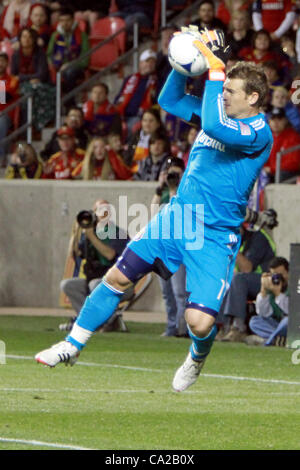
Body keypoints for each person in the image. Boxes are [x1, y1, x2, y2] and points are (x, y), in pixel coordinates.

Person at [35, 28, 273, 394]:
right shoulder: (220, 112)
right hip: (176, 218)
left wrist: (214, 70)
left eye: (230, 92)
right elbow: (170, 100)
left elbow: (213, 125)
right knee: (117, 279)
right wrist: (183, 62)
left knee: (199, 322)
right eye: (223, 90)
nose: (223, 95)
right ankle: (72, 346)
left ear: (253, 97)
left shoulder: (258, 132)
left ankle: (196, 356)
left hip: (214, 236)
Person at [59, 198, 131, 332]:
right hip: (94, 279)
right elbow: (74, 254)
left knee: (95, 285)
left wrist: (91, 236)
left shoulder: (118, 233)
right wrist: (76, 232)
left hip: (119, 283)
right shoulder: (90, 232)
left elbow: (110, 255)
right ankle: (89, 321)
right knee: (67, 285)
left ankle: (108, 320)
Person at [218, 220, 277, 342]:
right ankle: (223, 327)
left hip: (268, 280)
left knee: (239, 279)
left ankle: (238, 328)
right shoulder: (243, 240)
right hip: (246, 281)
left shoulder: (258, 238)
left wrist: (232, 248)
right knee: (222, 280)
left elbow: (247, 268)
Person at [151, 157, 187, 337]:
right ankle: (172, 327)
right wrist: (160, 187)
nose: (174, 176)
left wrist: (173, 189)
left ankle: (183, 328)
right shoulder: (163, 192)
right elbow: (152, 214)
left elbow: (176, 213)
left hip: (178, 248)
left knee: (180, 291)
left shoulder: (187, 190)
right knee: (167, 292)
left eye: (176, 173)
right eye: (170, 173)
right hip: (163, 248)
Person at [10, 27, 55, 132]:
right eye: (24, 36)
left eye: (30, 37)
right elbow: (13, 77)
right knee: (26, 92)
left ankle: (34, 127)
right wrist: (27, 79)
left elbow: (41, 74)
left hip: (41, 84)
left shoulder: (40, 53)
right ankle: (26, 128)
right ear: (20, 39)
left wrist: (21, 77)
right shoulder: (15, 56)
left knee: (32, 91)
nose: (27, 39)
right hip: (20, 88)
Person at [245, 257, 289, 346]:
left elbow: (291, 311)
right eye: (274, 275)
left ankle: (268, 341)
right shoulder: (271, 286)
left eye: (280, 275)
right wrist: (263, 291)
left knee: (287, 320)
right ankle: (280, 340)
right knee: (254, 321)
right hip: (277, 325)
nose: (278, 278)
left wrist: (278, 294)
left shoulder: (295, 286)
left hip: (290, 325)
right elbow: (263, 314)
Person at [47, 7, 90, 94]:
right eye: (62, 20)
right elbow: (49, 54)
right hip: (58, 66)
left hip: (77, 68)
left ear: (73, 20)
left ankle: (69, 101)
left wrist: (69, 65)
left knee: (69, 72)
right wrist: (52, 65)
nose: (65, 23)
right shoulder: (55, 36)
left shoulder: (82, 35)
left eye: (68, 20)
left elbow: (85, 59)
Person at [114, 49, 157, 135]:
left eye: (153, 62)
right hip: (122, 116)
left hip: (140, 118)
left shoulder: (156, 81)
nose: (150, 64)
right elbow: (119, 97)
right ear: (140, 63)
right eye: (147, 61)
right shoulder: (130, 78)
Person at [265, 107, 300, 182]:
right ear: (269, 121)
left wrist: (271, 168)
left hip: (288, 175)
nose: (276, 122)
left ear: (285, 121)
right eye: (273, 119)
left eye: (279, 119)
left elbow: (293, 164)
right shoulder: (267, 137)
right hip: (272, 173)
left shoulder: (293, 137)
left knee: (281, 175)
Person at [0, 52, 19, 165]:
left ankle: (0, 156)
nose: (0, 64)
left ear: (7, 63)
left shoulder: (13, 80)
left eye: (2, 61)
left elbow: (3, 97)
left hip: (6, 115)